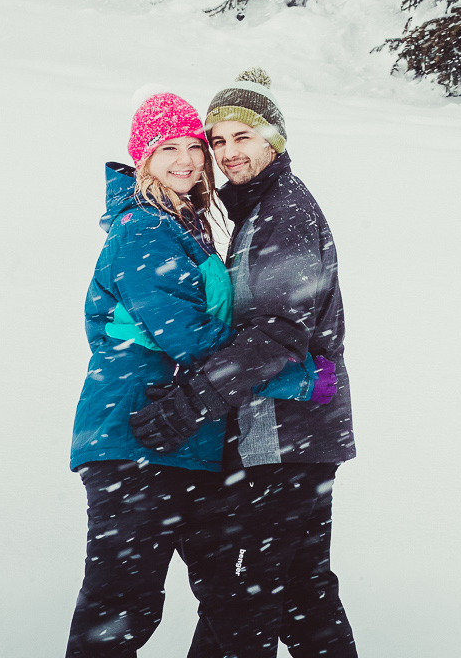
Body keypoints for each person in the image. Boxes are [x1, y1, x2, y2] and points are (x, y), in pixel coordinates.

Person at [64, 89, 317, 656]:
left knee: (236, 601)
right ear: (143, 160)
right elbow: (190, 337)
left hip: (191, 441)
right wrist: (289, 376)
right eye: (165, 148)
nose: (185, 159)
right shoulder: (142, 229)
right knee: (122, 606)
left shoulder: (188, 225)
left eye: (193, 146)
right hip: (134, 440)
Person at [131, 68, 359, 658]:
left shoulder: (285, 212)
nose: (228, 152)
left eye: (243, 137)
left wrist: (192, 401)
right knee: (299, 591)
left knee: (247, 595)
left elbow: (280, 335)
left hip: (287, 435)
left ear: (273, 141)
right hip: (291, 432)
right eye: (219, 140)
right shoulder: (260, 212)